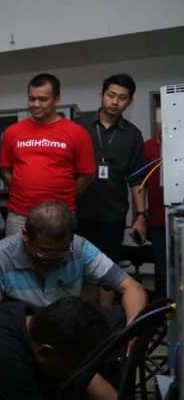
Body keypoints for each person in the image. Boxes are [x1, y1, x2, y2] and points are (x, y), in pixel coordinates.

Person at [0, 200, 147, 324]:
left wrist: (132, 332)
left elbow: (132, 288)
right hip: (18, 336)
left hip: (67, 334)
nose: (51, 259)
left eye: (60, 253)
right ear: (25, 236)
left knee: (117, 317)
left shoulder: (78, 248)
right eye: (44, 252)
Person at [76, 74, 147, 306]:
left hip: (112, 214)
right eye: (111, 95)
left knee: (108, 268)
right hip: (77, 209)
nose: (115, 102)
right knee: (71, 264)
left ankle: (105, 316)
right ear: (102, 95)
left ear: (130, 102)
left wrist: (140, 216)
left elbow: (137, 179)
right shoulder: (79, 124)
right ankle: (70, 316)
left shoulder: (133, 134)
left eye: (122, 98)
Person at [0, 73, 95, 235]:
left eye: (43, 99)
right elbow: (5, 169)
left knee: (59, 259)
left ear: (56, 100)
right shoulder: (12, 132)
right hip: (20, 215)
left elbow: (87, 174)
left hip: (60, 215)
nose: (35, 104)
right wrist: (21, 189)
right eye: (31, 99)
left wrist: (66, 195)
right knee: (17, 259)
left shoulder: (77, 133)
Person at [143, 132, 166, 297]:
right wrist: (140, 216)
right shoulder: (149, 147)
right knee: (163, 267)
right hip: (158, 220)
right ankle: (163, 311)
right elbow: (139, 184)